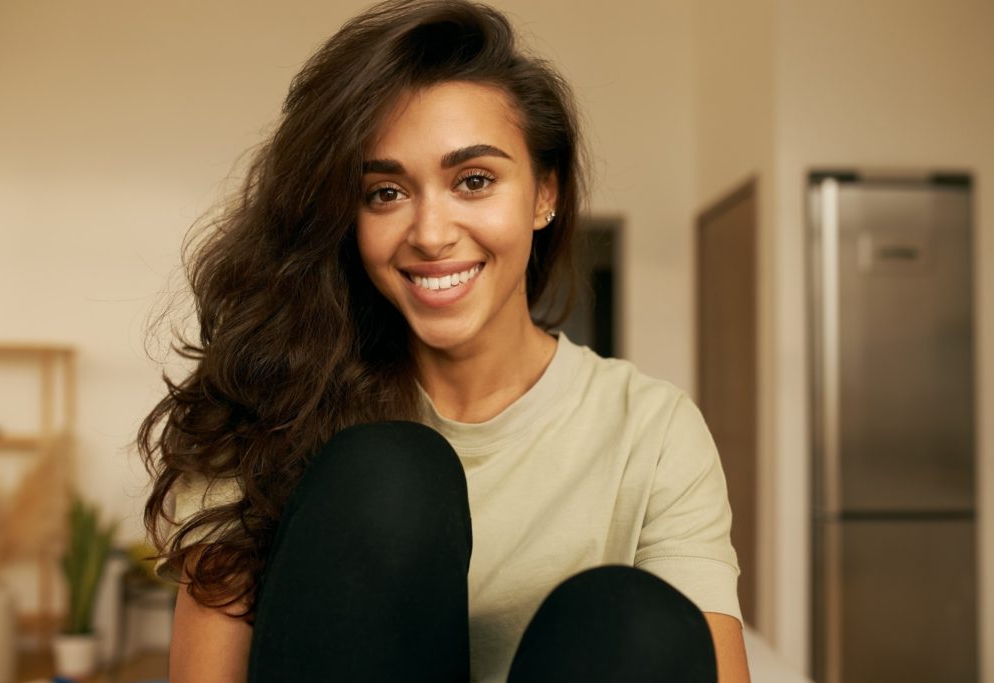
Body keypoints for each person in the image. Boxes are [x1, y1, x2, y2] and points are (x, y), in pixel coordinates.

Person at [138, 1, 750, 681]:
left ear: (545, 192)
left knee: (637, 621)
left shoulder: (652, 429)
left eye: (474, 181)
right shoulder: (272, 399)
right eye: (386, 192)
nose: (430, 233)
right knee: (388, 475)